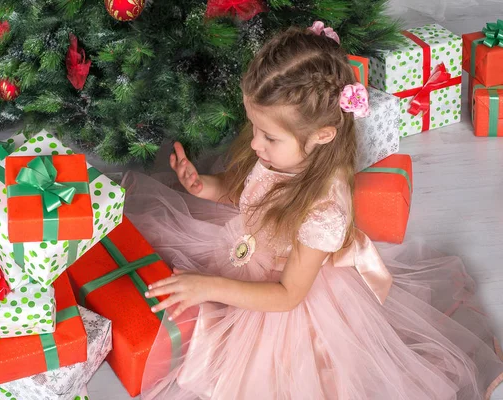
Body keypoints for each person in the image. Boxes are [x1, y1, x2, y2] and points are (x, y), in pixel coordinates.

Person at [122, 24, 503, 399]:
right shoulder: (286, 153)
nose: (255, 143)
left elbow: (287, 295)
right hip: (249, 249)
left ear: (323, 134)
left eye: (268, 136)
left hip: (287, 292)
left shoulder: (324, 209)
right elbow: (251, 196)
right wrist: (204, 186)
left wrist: (208, 286)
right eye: (254, 127)